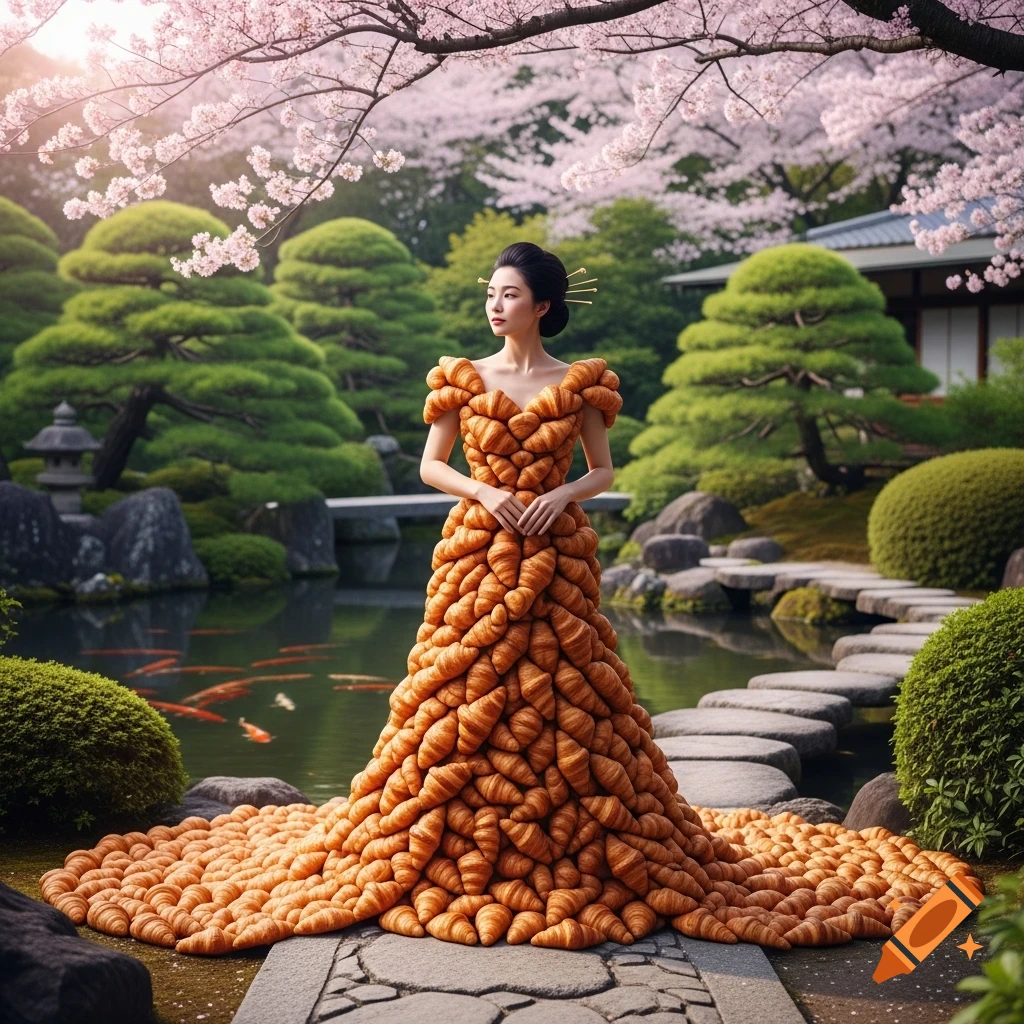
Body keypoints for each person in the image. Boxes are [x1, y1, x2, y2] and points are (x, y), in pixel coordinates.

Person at [40, 243, 969, 956]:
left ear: (545, 304)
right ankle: (446, 828)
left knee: (574, 693)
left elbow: (605, 470)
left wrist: (562, 494)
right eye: (488, 291)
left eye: (509, 291)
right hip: (480, 552)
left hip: (557, 554)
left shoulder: (580, 382)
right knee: (461, 688)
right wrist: (485, 493)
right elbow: (429, 463)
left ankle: (575, 831)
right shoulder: (463, 376)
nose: (494, 302)